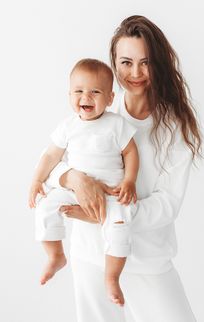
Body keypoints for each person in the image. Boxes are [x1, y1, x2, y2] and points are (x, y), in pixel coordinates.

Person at [46, 15, 202, 322]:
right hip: (91, 255)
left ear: (159, 63)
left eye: (145, 62)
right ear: (114, 64)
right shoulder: (95, 108)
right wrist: (72, 178)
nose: (135, 73)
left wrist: (104, 212)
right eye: (126, 62)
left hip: (148, 259)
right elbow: (49, 166)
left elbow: (166, 205)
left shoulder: (174, 128)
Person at [28, 58, 139, 306]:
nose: (85, 97)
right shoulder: (68, 126)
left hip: (111, 194)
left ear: (110, 98)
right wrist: (37, 180)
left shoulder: (116, 124)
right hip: (73, 191)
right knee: (45, 206)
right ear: (69, 95)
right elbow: (50, 156)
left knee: (119, 226)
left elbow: (131, 153)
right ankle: (55, 255)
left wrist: (130, 180)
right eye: (78, 91)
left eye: (95, 92)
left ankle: (112, 277)